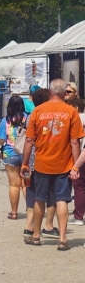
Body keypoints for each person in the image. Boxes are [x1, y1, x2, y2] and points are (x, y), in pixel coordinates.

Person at [22, 79, 84, 250]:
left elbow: (29, 140)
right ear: (65, 93)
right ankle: (63, 239)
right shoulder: (71, 112)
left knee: (39, 199)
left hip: (42, 163)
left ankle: (36, 235)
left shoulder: (38, 111)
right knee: (62, 200)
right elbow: (75, 142)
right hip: (64, 164)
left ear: (50, 92)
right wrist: (76, 166)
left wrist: (25, 163)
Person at [24, 88, 58, 238]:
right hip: (46, 158)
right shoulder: (50, 116)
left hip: (31, 159)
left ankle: (29, 225)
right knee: (51, 193)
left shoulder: (30, 116)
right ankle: (48, 225)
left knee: (32, 193)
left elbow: (28, 139)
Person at [0, 95, 27, 219]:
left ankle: (14, 212)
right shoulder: (28, 118)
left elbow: (1, 139)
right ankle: (30, 208)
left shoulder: (6, 120)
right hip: (26, 154)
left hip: (10, 154)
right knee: (26, 184)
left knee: (14, 185)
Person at [66, 96, 85, 225]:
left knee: (79, 187)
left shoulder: (77, 119)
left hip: (80, 158)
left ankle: (78, 216)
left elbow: (75, 142)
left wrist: (75, 165)